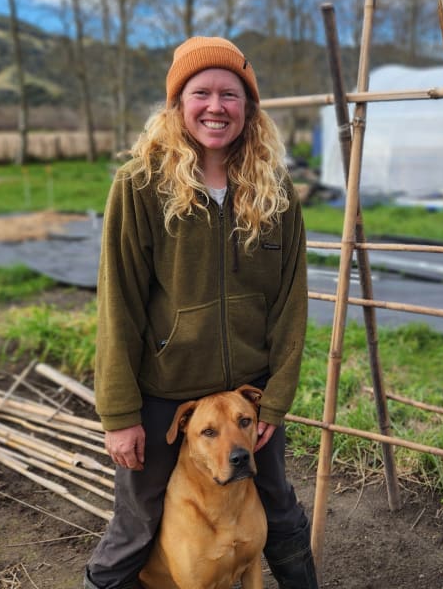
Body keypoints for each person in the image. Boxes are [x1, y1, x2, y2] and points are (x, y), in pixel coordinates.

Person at [83, 36, 318, 589]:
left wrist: (273, 401)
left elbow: (291, 304)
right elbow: (118, 303)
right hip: (165, 395)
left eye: (231, 94)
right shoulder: (140, 186)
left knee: (278, 506)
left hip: (246, 395)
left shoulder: (275, 191)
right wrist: (119, 414)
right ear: (177, 104)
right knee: (138, 521)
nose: (216, 106)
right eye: (201, 92)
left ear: (249, 108)